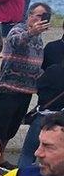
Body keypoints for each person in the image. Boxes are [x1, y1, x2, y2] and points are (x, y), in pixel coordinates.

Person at [0, 3, 52, 156]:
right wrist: (31, 32)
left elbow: (36, 63)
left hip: (27, 89)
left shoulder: (39, 39)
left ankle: (0, 156)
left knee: (12, 128)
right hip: (10, 87)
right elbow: (15, 42)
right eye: (37, 15)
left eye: (44, 17)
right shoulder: (18, 30)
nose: (39, 19)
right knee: (0, 127)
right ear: (29, 15)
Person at [19, 25, 64, 167]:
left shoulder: (52, 68)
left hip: (44, 114)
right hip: (60, 118)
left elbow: (38, 86)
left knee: (28, 153)